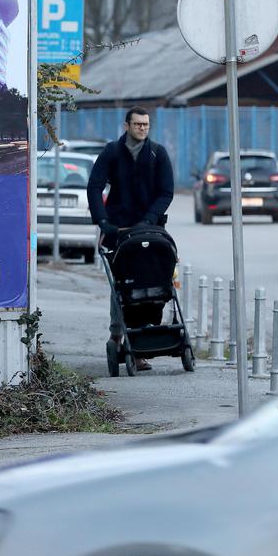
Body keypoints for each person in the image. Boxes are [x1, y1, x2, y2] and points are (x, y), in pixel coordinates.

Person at [87, 107, 175, 370]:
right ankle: (118, 333)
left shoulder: (158, 154)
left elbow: (166, 191)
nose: (142, 129)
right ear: (127, 126)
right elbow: (94, 186)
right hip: (119, 229)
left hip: (150, 228)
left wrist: (150, 219)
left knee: (155, 279)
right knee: (122, 284)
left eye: (146, 125)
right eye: (137, 124)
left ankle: (145, 338)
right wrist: (102, 221)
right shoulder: (112, 152)